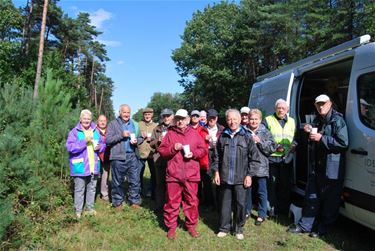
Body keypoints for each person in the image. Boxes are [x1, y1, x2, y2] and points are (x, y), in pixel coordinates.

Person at [288, 94, 348, 237]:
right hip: (316, 166)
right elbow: (310, 141)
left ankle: (323, 229)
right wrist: (308, 130)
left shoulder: (337, 120)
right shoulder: (316, 120)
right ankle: (305, 226)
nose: (321, 107)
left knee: (330, 200)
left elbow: (343, 143)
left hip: (331, 167)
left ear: (330, 104)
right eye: (318, 104)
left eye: (323, 104)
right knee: (311, 197)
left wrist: (322, 138)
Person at [158, 109, 208, 240]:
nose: (180, 121)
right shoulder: (170, 133)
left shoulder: (194, 133)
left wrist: (194, 153)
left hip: (191, 173)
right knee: (172, 201)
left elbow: (203, 149)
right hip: (174, 174)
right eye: (178, 118)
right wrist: (173, 148)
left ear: (187, 119)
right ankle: (171, 227)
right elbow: (162, 151)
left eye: (183, 118)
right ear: (175, 119)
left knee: (191, 201)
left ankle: (191, 226)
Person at [212, 109, 258, 240]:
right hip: (225, 177)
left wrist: (249, 175)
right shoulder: (222, 136)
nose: (232, 122)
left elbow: (254, 158)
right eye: (229, 119)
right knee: (224, 204)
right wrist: (216, 172)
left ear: (240, 119)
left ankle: (239, 228)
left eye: (234, 119)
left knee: (240, 204)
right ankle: (224, 228)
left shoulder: (246, 136)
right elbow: (216, 157)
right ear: (226, 121)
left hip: (241, 178)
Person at [66, 109, 106, 218]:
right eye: (84, 118)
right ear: (80, 119)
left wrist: (100, 147)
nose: (86, 121)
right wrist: (84, 141)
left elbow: (103, 144)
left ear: (91, 119)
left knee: (92, 188)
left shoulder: (95, 131)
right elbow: (70, 147)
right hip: (80, 166)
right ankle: (78, 211)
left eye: (88, 119)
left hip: (93, 165)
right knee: (79, 189)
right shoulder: (74, 132)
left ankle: (90, 208)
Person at [263, 98, 297, 216]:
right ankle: (272, 210)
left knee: (285, 185)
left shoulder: (292, 121)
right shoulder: (268, 120)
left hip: (287, 158)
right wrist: (275, 147)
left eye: (283, 108)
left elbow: (295, 138)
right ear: (275, 109)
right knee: (272, 185)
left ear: (287, 109)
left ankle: (283, 210)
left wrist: (294, 145)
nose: (281, 110)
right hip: (272, 158)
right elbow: (264, 139)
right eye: (279, 108)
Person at [106, 104, 143, 209]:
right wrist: (121, 135)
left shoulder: (134, 124)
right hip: (118, 157)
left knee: (135, 179)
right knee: (117, 181)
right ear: (120, 112)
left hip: (132, 155)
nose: (126, 114)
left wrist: (137, 141)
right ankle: (118, 202)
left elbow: (140, 137)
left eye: (128, 112)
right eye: (124, 112)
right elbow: (108, 140)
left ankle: (134, 201)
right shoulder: (113, 124)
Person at [245, 109, 276, 225]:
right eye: (251, 119)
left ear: (260, 120)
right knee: (247, 189)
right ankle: (247, 211)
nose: (253, 121)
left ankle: (262, 214)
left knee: (262, 191)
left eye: (256, 119)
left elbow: (272, 148)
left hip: (261, 166)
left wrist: (260, 142)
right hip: (247, 166)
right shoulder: (244, 131)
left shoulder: (265, 132)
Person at [150, 108, 174, 211]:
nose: (166, 118)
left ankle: (171, 206)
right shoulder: (156, 128)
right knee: (160, 184)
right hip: (159, 160)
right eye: (164, 116)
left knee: (172, 185)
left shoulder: (175, 128)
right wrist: (158, 141)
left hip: (172, 160)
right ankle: (159, 206)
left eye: (168, 115)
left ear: (172, 116)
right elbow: (151, 144)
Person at [190, 110, 211, 208]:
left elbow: (206, 147)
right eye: (193, 116)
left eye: (196, 116)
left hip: (202, 161)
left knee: (206, 182)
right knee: (194, 183)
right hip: (191, 160)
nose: (195, 117)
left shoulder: (203, 130)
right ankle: (196, 202)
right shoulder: (187, 129)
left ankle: (208, 203)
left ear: (199, 118)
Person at [205, 108, 224, 210]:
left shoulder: (222, 129)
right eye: (210, 118)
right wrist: (204, 140)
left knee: (219, 178)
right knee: (207, 179)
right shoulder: (202, 129)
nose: (212, 120)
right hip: (206, 154)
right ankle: (209, 204)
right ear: (207, 118)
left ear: (217, 118)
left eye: (214, 118)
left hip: (219, 154)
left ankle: (220, 203)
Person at [138, 107, 158, 199]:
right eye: (145, 114)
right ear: (143, 115)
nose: (147, 116)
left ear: (152, 115)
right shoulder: (139, 124)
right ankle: (139, 191)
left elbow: (158, 139)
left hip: (152, 153)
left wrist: (152, 139)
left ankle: (152, 191)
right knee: (139, 174)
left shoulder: (156, 125)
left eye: (149, 114)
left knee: (154, 174)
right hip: (141, 153)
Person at [97, 114, 111, 201]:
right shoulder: (94, 130)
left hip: (106, 156)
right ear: (97, 122)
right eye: (100, 121)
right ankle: (93, 193)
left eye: (104, 121)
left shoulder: (109, 131)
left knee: (105, 176)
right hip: (96, 157)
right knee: (95, 176)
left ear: (106, 122)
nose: (102, 122)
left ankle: (104, 194)